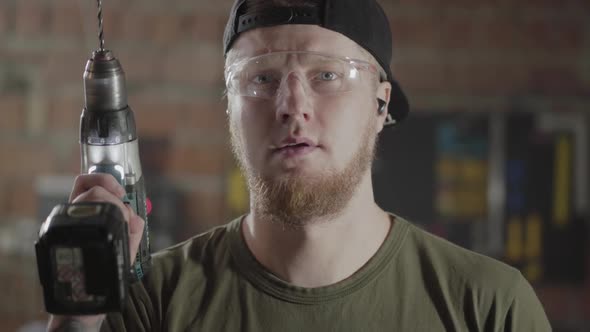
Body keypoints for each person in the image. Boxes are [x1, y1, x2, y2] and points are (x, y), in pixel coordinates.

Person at [48, 0, 552, 331]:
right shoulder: (149, 303)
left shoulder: (489, 308)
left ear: (381, 105)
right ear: (230, 109)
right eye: (261, 79)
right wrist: (76, 319)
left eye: (327, 74)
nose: (292, 104)